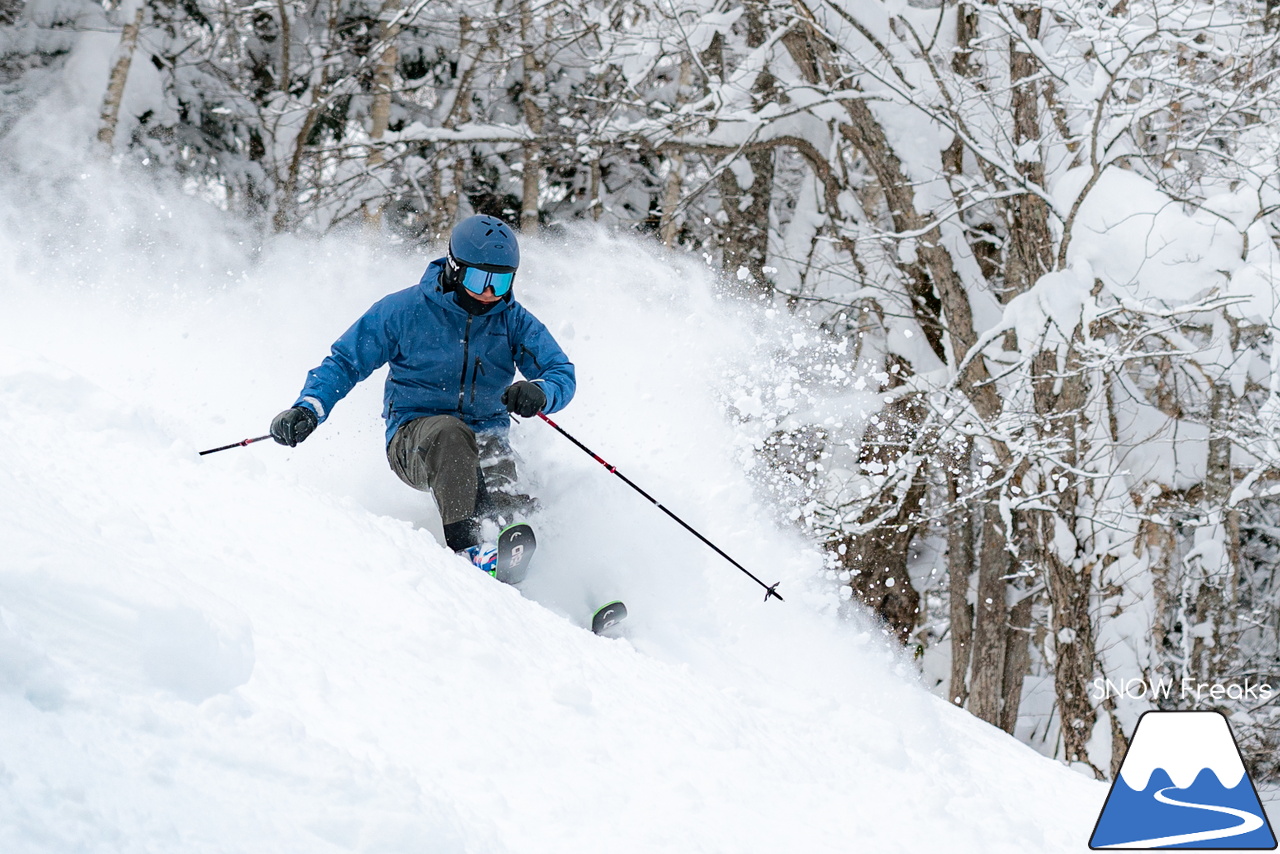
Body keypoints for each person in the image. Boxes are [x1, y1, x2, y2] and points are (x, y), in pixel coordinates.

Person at [269, 214, 575, 573]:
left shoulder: (513, 320)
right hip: (414, 438)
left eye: (502, 281)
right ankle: (470, 550)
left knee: (508, 492)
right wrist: (309, 408)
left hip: (486, 434)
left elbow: (561, 373)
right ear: (455, 267)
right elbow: (345, 362)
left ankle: (559, 578)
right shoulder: (403, 311)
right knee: (449, 432)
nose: (491, 292)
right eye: (480, 279)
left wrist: (540, 392)